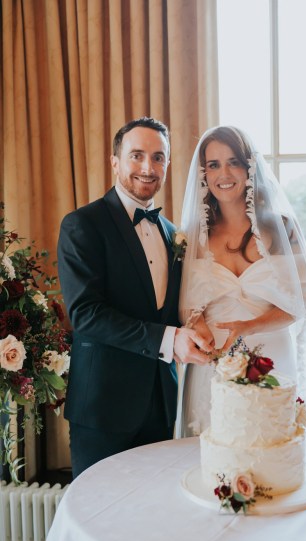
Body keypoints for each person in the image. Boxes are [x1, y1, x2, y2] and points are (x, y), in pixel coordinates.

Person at [57, 116, 211, 478]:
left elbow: (175, 310)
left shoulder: (174, 233)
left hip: (161, 404)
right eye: (137, 155)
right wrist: (170, 339)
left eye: (158, 157)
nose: (148, 167)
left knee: (153, 517)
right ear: (115, 162)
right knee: (99, 515)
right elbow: (86, 314)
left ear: (168, 165)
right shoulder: (83, 224)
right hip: (104, 409)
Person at [176, 125, 306, 437]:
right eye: (213, 165)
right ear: (204, 173)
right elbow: (185, 303)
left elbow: (302, 307)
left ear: (249, 167)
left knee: (267, 455)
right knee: (214, 456)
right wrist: (196, 322)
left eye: (233, 162)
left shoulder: (281, 228)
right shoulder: (193, 236)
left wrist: (248, 326)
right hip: (212, 363)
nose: (223, 174)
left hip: (273, 357)